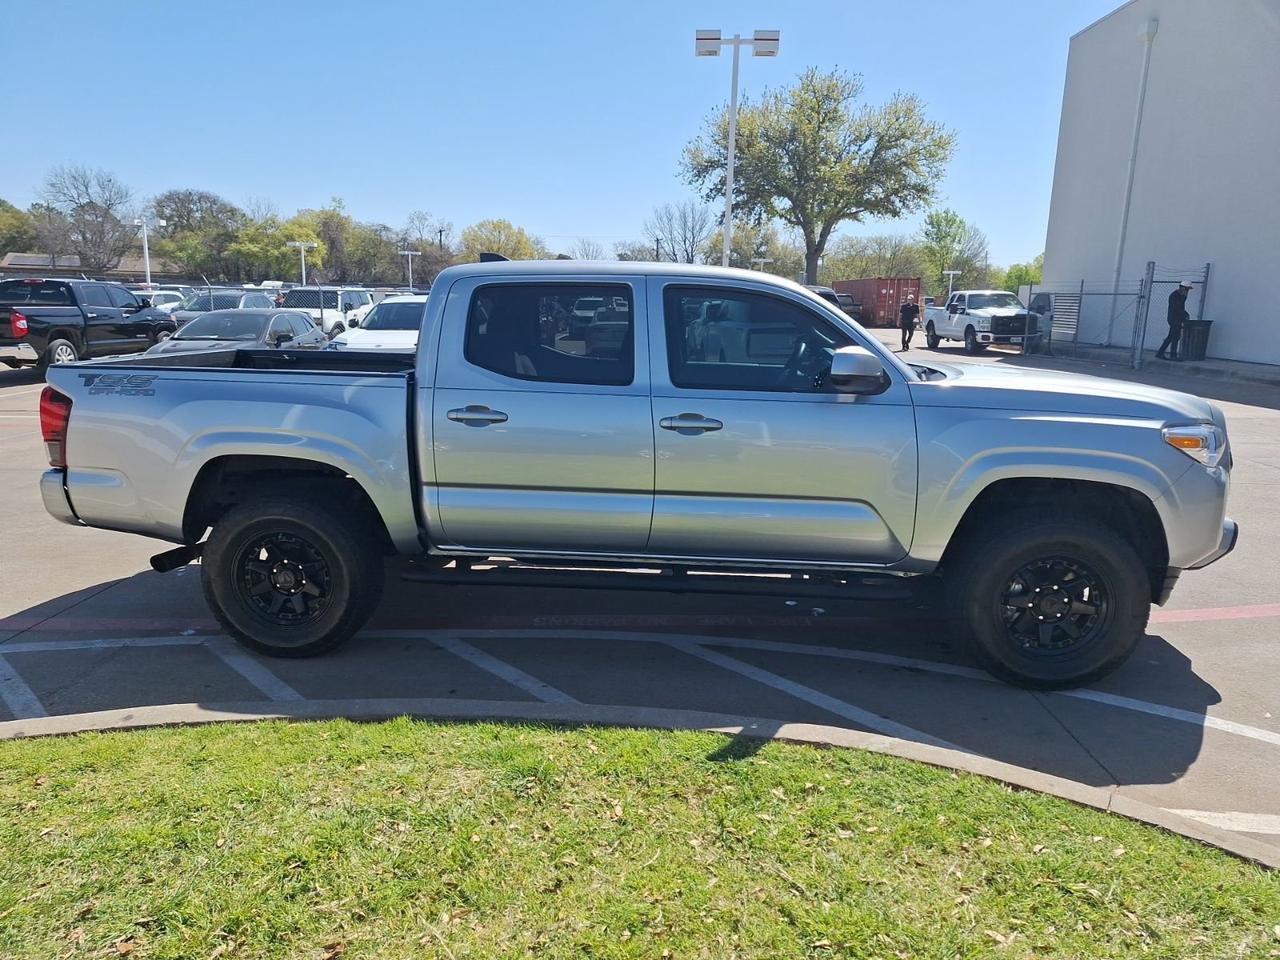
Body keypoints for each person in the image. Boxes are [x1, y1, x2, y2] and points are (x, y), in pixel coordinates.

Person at [1156, 280, 1193, 361]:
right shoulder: (1174, 296)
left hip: (1177, 319)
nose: (1187, 291)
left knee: (1172, 336)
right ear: (1183, 288)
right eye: (1187, 289)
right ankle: (1172, 355)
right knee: (1174, 337)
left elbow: (1180, 307)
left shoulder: (1181, 295)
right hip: (1174, 319)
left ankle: (1161, 353)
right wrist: (1185, 314)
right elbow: (1177, 307)